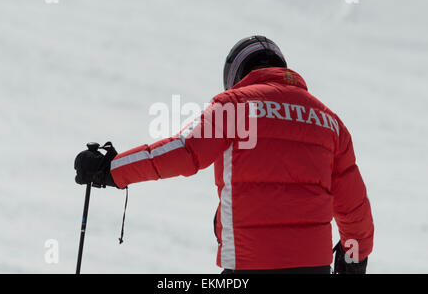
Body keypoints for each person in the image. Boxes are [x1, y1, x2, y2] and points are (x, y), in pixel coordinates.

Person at [74, 35, 374, 274]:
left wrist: (110, 168)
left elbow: (184, 152)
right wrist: (355, 255)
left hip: (250, 263)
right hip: (314, 267)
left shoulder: (235, 105)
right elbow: (353, 203)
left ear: (237, 73)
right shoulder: (329, 122)